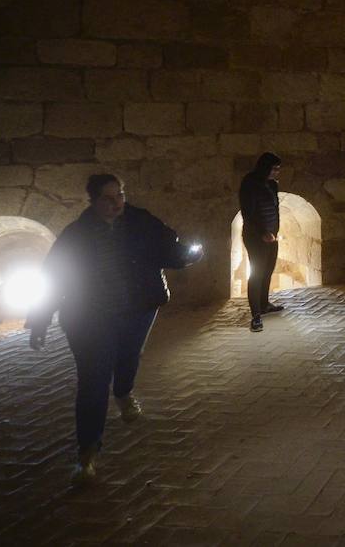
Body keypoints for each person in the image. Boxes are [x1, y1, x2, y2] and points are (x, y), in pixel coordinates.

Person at [27, 174, 203, 486]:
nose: (116, 203)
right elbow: (54, 277)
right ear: (93, 201)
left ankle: (123, 392)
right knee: (94, 379)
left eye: (119, 195)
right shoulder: (76, 235)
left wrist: (188, 254)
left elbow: (167, 248)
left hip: (137, 309)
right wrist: (40, 319)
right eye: (108, 198)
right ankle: (87, 453)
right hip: (90, 317)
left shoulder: (140, 222)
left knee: (128, 358)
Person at [238, 152, 284, 332]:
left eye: (278, 169)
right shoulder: (249, 184)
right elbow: (248, 213)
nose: (277, 172)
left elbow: (275, 209)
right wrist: (261, 233)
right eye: (274, 169)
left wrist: (274, 231)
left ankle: (264, 305)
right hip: (255, 237)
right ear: (265, 168)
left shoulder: (272, 185)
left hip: (271, 235)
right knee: (257, 273)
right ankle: (256, 315)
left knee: (268, 270)